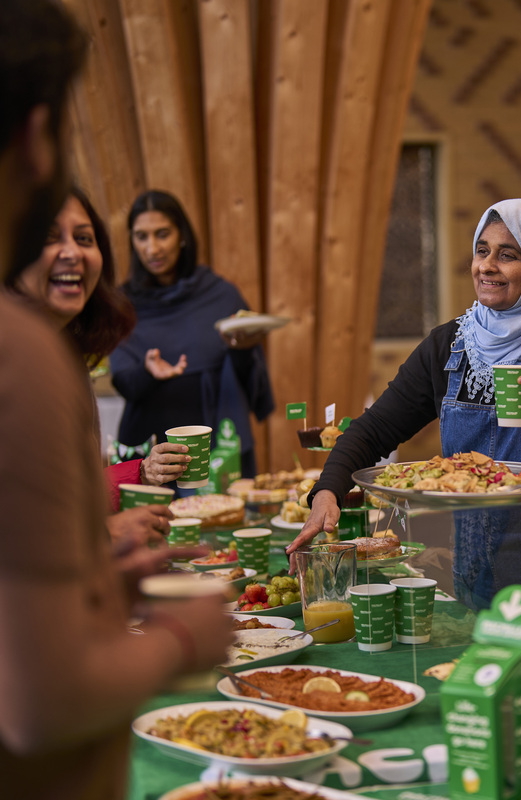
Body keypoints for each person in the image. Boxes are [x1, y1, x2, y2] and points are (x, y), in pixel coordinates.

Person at [0, 4, 231, 798]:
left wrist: (95, 578)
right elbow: (41, 704)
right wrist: (180, 637)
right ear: (36, 137)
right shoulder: (19, 351)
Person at [287, 199, 521, 650]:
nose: (487, 266)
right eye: (482, 250)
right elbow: (375, 428)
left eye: (508, 255)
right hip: (476, 587)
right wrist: (326, 491)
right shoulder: (455, 344)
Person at [11, 186, 192, 544]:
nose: (71, 252)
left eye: (83, 237)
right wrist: (104, 533)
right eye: (48, 238)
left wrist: (142, 471)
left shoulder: (66, 354)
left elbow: (72, 492)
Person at [109, 190, 274, 478]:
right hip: (153, 458)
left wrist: (242, 350)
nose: (152, 249)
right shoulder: (123, 306)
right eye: (141, 237)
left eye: (162, 234)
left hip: (218, 449)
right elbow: (124, 382)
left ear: (182, 235)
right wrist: (148, 372)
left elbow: (252, 383)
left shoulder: (221, 296)